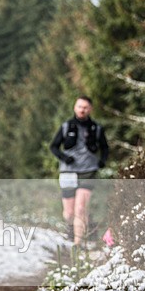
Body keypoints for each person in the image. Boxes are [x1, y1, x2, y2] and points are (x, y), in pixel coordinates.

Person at [49, 96, 109, 245]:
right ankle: (78, 229)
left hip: (88, 171)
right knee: (69, 213)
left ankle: (78, 244)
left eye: (85, 107)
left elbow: (105, 147)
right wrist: (64, 158)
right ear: (75, 108)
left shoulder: (96, 128)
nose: (82, 110)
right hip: (68, 172)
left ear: (90, 109)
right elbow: (54, 146)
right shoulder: (66, 127)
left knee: (80, 208)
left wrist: (102, 161)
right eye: (80, 107)